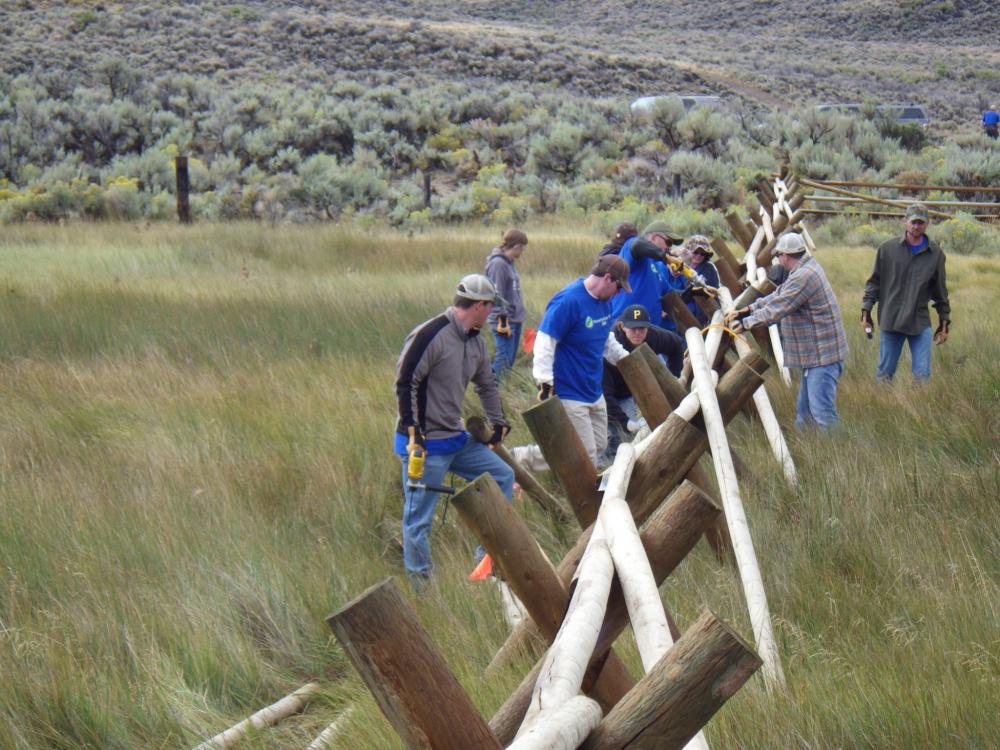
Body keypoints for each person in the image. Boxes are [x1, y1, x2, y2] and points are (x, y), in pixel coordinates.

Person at [394, 274, 515, 582]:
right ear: (479, 305)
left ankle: (485, 563)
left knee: (502, 476)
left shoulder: (476, 341)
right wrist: (413, 430)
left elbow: (486, 384)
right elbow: (406, 381)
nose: (492, 314)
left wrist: (498, 421)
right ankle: (422, 587)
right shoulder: (431, 335)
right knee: (418, 520)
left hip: (455, 439)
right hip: (425, 445)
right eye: (490, 308)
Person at [511, 255, 631, 470]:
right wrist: (544, 381)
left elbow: (606, 340)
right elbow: (545, 341)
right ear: (607, 278)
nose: (619, 293)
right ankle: (589, 499)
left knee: (600, 444)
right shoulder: (569, 301)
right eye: (619, 287)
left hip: (594, 390)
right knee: (585, 455)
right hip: (569, 392)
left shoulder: (605, 304)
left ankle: (518, 458)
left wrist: (627, 361)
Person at [726, 233, 848, 429]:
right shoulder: (803, 269)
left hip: (823, 357)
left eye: (779, 255)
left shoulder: (804, 276)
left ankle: (844, 455)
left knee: (823, 414)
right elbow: (779, 294)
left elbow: (778, 308)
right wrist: (748, 309)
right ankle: (814, 452)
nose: (777, 259)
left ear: (785, 255)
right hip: (816, 356)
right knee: (804, 416)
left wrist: (746, 323)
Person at [862, 203, 950, 382]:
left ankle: (918, 409)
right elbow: (874, 283)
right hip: (891, 320)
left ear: (927, 224)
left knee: (922, 375)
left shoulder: (936, 254)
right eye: (913, 222)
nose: (916, 226)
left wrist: (944, 321)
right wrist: (866, 310)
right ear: (905, 222)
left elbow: (940, 291)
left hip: (919, 321)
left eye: (921, 223)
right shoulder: (887, 249)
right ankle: (884, 408)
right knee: (885, 374)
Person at [602, 304, 685, 457]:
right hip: (615, 393)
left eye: (642, 328)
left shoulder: (654, 336)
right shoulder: (609, 350)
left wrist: (674, 376)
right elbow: (606, 395)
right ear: (622, 326)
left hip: (644, 373)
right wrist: (625, 422)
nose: (638, 333)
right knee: (619, 435)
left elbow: (676, 344)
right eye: (633, 328)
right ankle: (608, 466)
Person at [610, 219, 684, 328]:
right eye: (668, 242)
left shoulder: (658, 267)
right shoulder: (633, 251)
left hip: (648, 332)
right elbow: (637, 245)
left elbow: (670, 295)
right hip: (623, 329)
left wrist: (692, 292)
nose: (669, 247)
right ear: (654, 237)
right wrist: (666, 257)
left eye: (671, 244)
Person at [485, 228, 528, 380]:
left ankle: (501, 393)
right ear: (517, 247)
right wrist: (503, 322)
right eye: (522, 248)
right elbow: (497, 297)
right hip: (504, 322)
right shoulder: (498, 265)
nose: (522, 252)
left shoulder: (509, 263)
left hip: (514, 320)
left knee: (508, 362)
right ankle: (490, 390)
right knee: (502, 361)